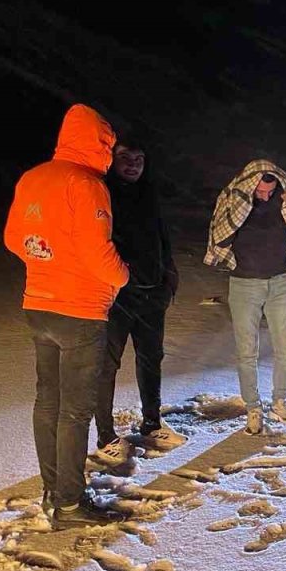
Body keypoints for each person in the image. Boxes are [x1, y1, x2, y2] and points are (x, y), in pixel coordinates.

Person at [3, 104, 127, 529]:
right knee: (74, 411)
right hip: (80, 312)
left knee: (47, 402)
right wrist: (123, 276)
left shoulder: (32, 178)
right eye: (108, 144)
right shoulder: (87, 185)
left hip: (38, 305)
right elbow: (100, 255)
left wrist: (48, 260)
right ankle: (71, 505)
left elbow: (14, 239)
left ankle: (53, 491)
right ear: (98, 142)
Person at [90, 138, 185, 468]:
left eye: (139, 159)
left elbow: (162, 239)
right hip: (117, 297)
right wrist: (114, 281)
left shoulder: (149, 194)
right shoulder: (102, 193)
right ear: (112, 160)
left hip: (151, 293)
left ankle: (152, 423)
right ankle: (105, 434)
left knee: (151, 359)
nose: (132, 164)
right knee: (107, 365)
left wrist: (168, 277)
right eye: (125, 158)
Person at [205, 160, 286, 434]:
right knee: (246, 351)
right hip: (244, 284)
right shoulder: (235, 200)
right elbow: (220, 231)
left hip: (280, 282)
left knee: (285, 348)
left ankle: (280, 401)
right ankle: (253, 408)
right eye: (260, 191)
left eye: (270, 190)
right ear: (249, 185)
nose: (266, 196)